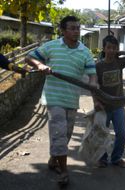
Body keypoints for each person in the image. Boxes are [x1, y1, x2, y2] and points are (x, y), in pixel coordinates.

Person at [25, 16, 97, 186]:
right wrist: (39, 65)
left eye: (78, 28)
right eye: (72, 28)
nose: (76, 31)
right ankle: (64, 171)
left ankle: (53, 160)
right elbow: (28, 58)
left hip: (71, 100)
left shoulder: (85, 51)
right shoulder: (51, 46)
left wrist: (93, 84)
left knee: (65, 135)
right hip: (53, 98)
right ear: (63, 31)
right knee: (58, 133)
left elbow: (92, 74)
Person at [95, 35, 125, 168]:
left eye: (114, 48)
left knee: (121, 133)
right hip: (104, 106)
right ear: (104, 48)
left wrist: (120, 53)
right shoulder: (98, 66)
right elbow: (94, 86)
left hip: (118, 106)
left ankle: (116, 158)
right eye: (108, 47)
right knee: (102, 134)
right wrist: (96, 103)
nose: (111, 50)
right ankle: (102, 158)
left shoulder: (119, 62)